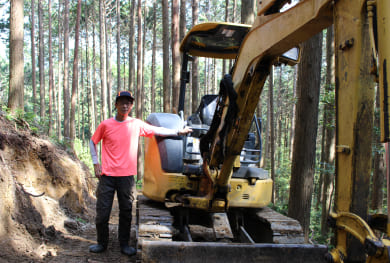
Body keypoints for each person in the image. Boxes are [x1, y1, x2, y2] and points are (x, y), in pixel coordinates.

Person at [88, 91, 192, 256]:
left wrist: (178, 132)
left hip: (127, 177)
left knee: (126, 212)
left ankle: (124, 244)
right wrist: (95, 164)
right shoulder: (106, 125)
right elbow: (93, 142)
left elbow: (158, 130)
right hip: (107, 176)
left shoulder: (136, 124)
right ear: (116, 105)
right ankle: (102, 243)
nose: (125, 105)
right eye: (122, 102)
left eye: (128, 103)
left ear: (131, 106)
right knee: (102, 213)